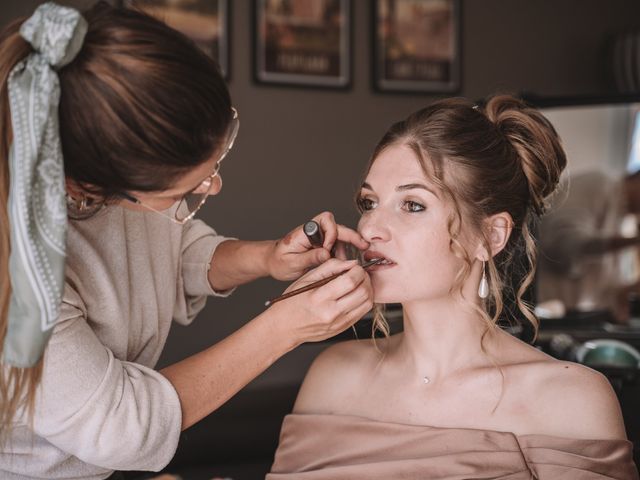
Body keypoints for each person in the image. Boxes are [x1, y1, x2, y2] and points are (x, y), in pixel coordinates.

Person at [0, 2, 373, 479]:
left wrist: (267, 258)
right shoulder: (18, 273)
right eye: (187, 189)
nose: (214, 186)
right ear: (83, 188)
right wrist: (286, 326)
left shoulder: (111, 168)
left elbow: (171, 253)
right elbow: (123, 425)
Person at [268, 95, 639, 479]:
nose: (370, 228)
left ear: (490, 236)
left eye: (412, 204)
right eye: (369, 202)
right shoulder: (333, 376)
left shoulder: (569, 399)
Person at [537, 169, 640, 321]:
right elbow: (563, 246)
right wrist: (631, 241)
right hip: (546, 315)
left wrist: (629, 290)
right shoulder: (599, 184)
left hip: (577, 321)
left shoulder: (625, 220)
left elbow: (604, 292)